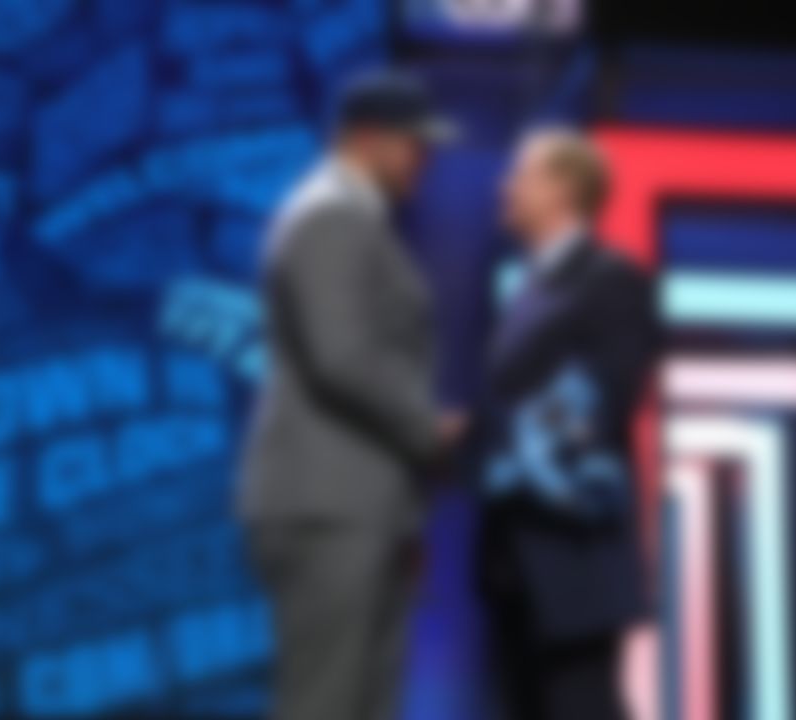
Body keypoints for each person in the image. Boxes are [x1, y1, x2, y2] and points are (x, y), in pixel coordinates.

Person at [237, 70, 466, 720]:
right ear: (368, 139)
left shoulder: (352, 216)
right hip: (329, 507)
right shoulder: (327, 215)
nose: (424, 156)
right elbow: (342, 355)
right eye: (412, 142)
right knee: (327, 706)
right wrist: (427, 428)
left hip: (359, 505)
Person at [477, 128, 660, 720]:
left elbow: (603, 400)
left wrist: (488, 443)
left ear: (563, 189)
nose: (505, 187)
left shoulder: (611, 278)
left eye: (521, 174)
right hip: (516, 554)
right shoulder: (528, 287)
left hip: (573, 555)